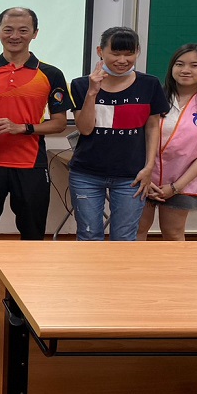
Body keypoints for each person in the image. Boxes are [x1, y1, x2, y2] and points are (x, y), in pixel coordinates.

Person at [0, 7, 69, 317]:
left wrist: (23, 128)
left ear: (35, 34)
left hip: (30, 166)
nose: (15, 36)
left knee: (32, 235)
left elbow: (60, 123)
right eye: (8, 29)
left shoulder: (51, 74)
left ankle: (23, 298)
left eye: (23, 30)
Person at [68, 27, 169, 242]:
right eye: (115, 53)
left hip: (131, 175)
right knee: (88, 235)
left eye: (129, 54)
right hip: (86, 173)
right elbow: (85, 128)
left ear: (137, 52)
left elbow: (152, 127)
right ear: (100, 51)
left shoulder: (149, 84)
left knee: (124, 238)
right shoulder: (81, 85)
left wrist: (149, 167)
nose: (122, 60)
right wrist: (92, 92)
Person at [138, 44, 197, 241]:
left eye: (194, 65)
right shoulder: (153, 97)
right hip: (143, 178)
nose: (185, 70)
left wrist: (175, 187)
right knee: (136, 231)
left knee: (173, 234)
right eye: (179, 64)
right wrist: (146, 176)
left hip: (183, 182)